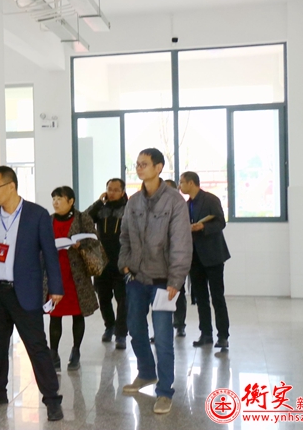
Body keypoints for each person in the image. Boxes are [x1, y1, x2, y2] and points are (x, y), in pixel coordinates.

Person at [0, 166, 65, 421]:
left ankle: (52, 400)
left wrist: (56, 288)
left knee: (37, 347)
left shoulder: (37, 215)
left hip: (24, 291)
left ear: (11, 186)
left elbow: (50, 253)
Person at [118, 148, 192, 415]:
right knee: (135, 330)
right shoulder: (134, 201)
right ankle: (147, 373)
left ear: (159, 167)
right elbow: (124, 236)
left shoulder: (174, 201)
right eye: (137, 164)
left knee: (162, 338)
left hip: (163, 282)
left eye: (144, 164)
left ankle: (164, 391)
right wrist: (125, 264)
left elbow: (181, 243)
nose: (139, 168)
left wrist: (176, 279)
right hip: (137, 278)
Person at [49, 186, 99, 372]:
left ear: (71, 201)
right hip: (56, 274)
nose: (55, 202)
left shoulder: (82, 218)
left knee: (77, 313)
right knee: (55, 314)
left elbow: (94, 240)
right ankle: (53, 354)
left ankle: (76, 350)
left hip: (76, 274)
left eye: (59, 199)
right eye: (54, 199)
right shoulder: (49, 220)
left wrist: (80, 245)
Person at [179, 171, 231, 349]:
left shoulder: (210, 199)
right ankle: (206, 334)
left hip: (213, 256)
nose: (180, 186)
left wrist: (202, 226)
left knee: (217, 297)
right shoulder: (187, 205)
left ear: (191, 183)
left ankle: (223, 335)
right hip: (195, 258)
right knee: (201, 298)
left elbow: (220, 223)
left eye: (182, 182)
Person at [85, 178, 129, 349]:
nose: (112, 193)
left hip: (121, 261)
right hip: (101, 262)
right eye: (109, 189)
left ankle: (121, 334)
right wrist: (98, 202)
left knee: (123, 300)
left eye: (116, 190)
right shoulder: (101, 209)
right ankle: (109, 326)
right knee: (103, 298)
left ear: (123, 192)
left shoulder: (128, 209)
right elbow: (84, 219)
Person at [165, 179, 188, 337]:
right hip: (158, 259)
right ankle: (162, 329)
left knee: (178, 291)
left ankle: (179, 324)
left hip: (177, 257)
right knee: (160, 293)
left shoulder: (181, 207)